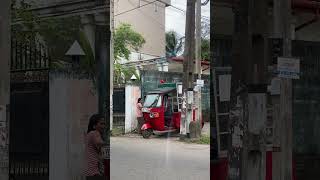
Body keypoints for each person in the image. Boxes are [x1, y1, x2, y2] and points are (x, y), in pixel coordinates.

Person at [84, 114, 106, 179]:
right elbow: (99, 142)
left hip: (89, 171)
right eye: (101, 124)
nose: (103, 126)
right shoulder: (95, 133)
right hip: (95, 172)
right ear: (94, 125)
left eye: (104, 124)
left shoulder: (89, 134)